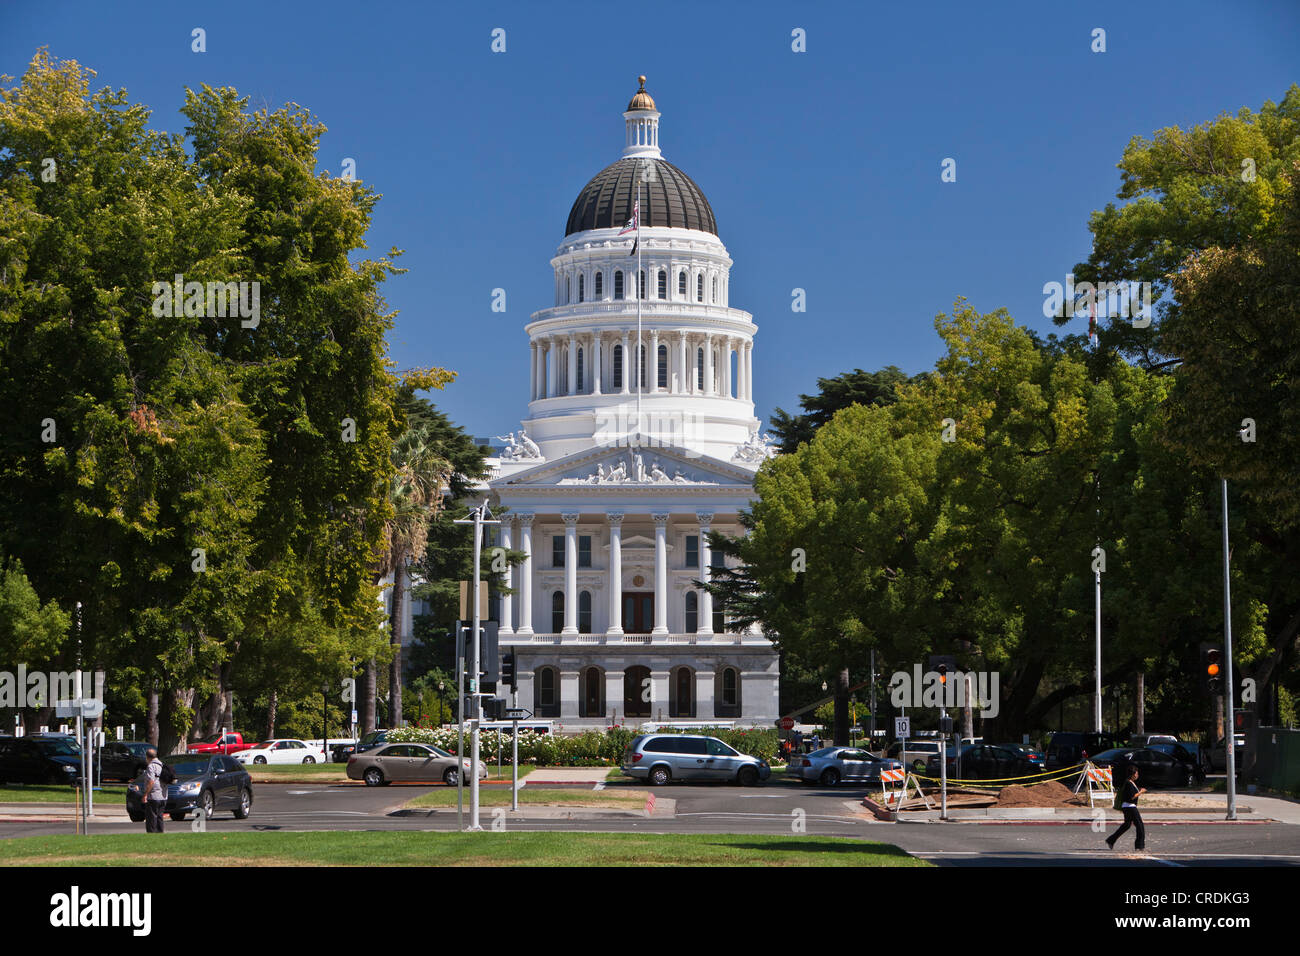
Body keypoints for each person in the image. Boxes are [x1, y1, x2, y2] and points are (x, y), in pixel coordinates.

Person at [1106, 764, 1146, 851]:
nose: (1137, 775)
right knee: (1140, 825)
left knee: (1127, 825)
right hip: (1130, 807)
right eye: (1136, 773)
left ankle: (1111, 840)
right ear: (1132, 774)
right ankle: (1139, 846)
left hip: (1127, 807)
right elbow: (1132, 797)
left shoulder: (1130, 783)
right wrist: (1141, 792)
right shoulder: (1128, 783)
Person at [142, 747, 166, 834]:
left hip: (153, 796)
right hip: (163, 796)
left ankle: (151, 835)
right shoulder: (162, 765)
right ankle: (160, 833)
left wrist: (145, 794)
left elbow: (151, 781)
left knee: (151, 818)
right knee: (160, 817)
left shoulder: (151, 766)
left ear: (147, 757)